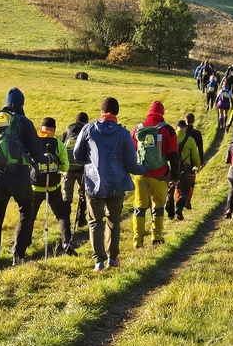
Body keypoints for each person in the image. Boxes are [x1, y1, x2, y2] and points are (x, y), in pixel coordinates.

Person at [0, 88, 52, 273]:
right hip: (19, 175)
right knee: (26, 212)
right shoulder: (24, 122)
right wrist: (48, 158)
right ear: (21, 103)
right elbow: (38, 156)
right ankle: (18, 255)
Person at [72, 97, 146, 271]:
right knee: (113, 221)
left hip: (93, 185)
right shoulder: (123, 134)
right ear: (117, 113)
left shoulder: (88, 128)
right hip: (116, 184)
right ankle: (112, 259)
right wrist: (145, 168)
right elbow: (132, 165)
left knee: (95, 223)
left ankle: (98, 262)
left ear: (101, 111)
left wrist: (89, 163)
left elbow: (77, 155)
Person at [131, 101, 180, 248]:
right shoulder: (168, 131)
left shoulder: (137, 129)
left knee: (140, 207)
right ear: (162, 113)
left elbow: (131, 152)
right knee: (158, 206)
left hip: (141, 175)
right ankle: (156, 237)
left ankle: (137, 240)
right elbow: (174, 156)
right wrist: (175, 176)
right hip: (160, 175)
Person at [31, 117, 75, 256]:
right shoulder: (58, 144)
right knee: (63, 216)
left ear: (41, 128)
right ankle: (66, 242)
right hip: (53, 187)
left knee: (28, 217)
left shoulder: (33, 142)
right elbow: (65, 166)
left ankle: (23, 245)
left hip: (35, 188)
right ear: (54, 129)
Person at [166, 119, 201, 221]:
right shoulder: (190, 140)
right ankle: (180, 206)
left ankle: (170, 213)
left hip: (171, 168)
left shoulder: (170, 138)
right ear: (185, 128)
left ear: (176, 127)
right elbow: (195, 157)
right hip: (185, 169)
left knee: (170, 191)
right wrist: (197, 166)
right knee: (185, 190)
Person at [61, 112, 89, 229]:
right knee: (83, 194)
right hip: (81, 169)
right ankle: (81, 218)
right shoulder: (86, 131)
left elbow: (61, 146)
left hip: (67, 168)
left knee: (67, 196)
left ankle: (65, 222)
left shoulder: (68, 130)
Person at [182, 112, 204, 209]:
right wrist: (201, 161)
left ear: (185, 120)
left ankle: (179, 198)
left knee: (180, 182)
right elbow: (200, 148)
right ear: (193, 121)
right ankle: (188, 200)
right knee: (191, 182)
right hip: (192, 161)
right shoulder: (197, 134)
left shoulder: (182, 133)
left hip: (182, 160)